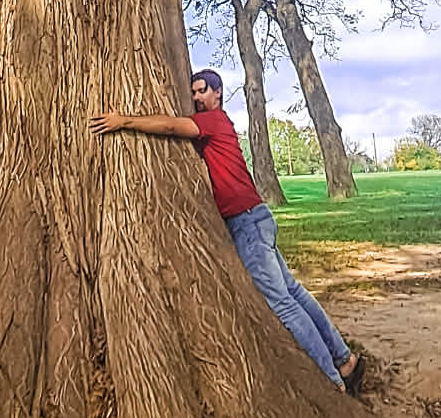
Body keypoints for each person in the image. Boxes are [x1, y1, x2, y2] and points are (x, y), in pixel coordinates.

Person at [91, 69, 365, 393]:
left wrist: (123, 121)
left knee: (281, 301)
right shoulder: (217, 124)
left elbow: (169, 126)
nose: (196, 98)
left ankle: (334, 382)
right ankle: (345, 361)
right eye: (193, 92)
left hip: (248, 222)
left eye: (202, 91)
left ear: (217, 93)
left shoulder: (214, 120)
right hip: (257, 218)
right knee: (293, 292)